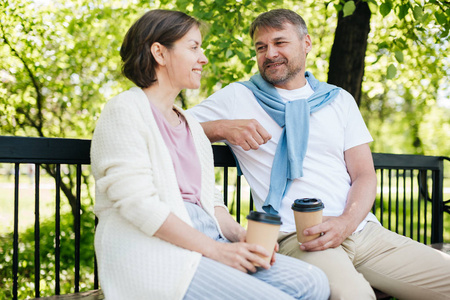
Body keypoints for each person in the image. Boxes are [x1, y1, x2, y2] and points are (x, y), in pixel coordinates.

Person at [188, 8, 450, 300]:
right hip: (296, 236)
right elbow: (167, 123)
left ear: (307, 43)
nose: (270, 53)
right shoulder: (238, 97)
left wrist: (345, 223)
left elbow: (364, 174)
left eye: (280, 42)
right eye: (261, 47)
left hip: (362, 231)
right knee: (356, 296)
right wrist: (222, 128)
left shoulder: (339, 100)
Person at [90, 9, 329, 300]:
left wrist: (240, 237)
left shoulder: (189, 124)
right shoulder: (124, 111)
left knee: (313, 281)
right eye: (193, 48)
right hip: (157, 255)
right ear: (159, 53)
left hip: (207, 241)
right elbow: (139, 206)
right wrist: (218, 251)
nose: (203, 58)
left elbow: (212, 204)